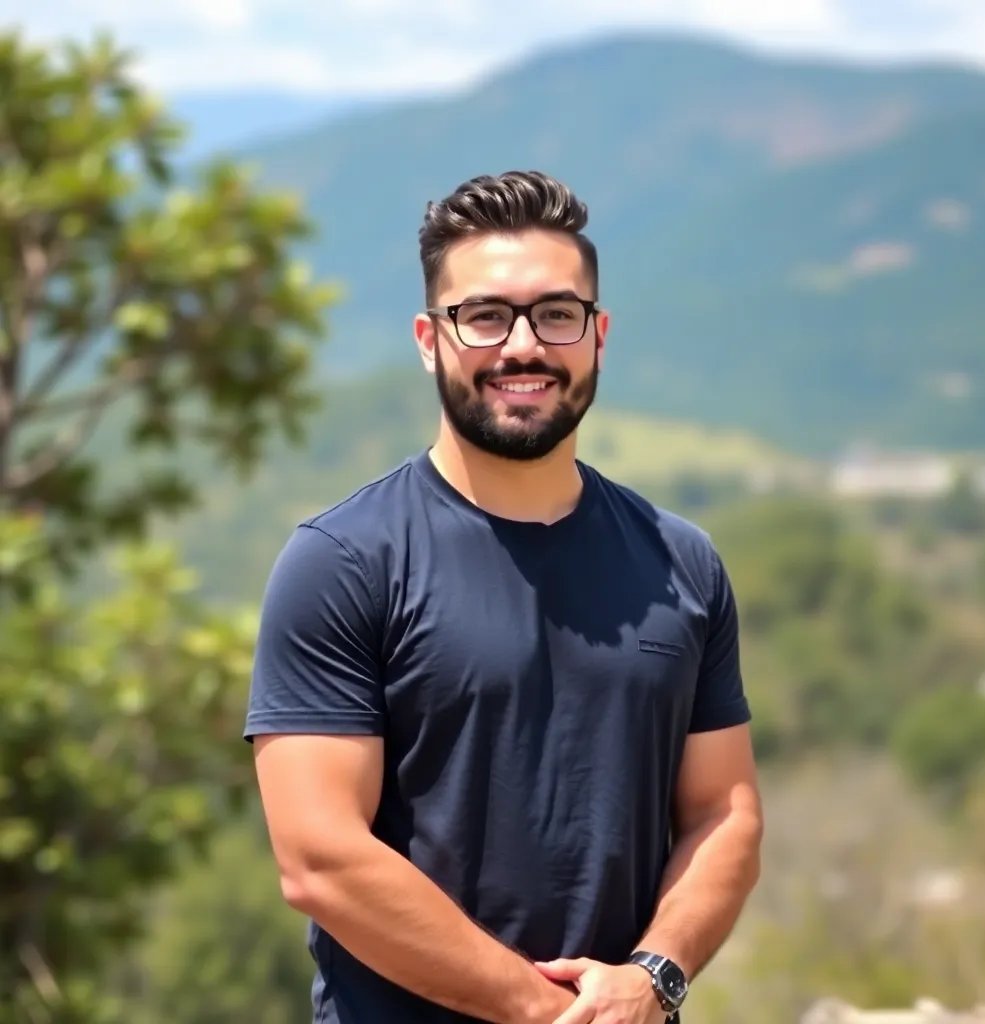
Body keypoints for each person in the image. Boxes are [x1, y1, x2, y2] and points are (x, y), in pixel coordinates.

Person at [245, 170, 763, 1024]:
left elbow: (724, 813)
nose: (522, 345)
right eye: (484, 315)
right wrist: (546, 1011)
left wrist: (653, 979)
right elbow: (319, 858)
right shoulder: (343, 562)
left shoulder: (682, 563)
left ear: (597, 336)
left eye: (556, 314)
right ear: (428, 338)